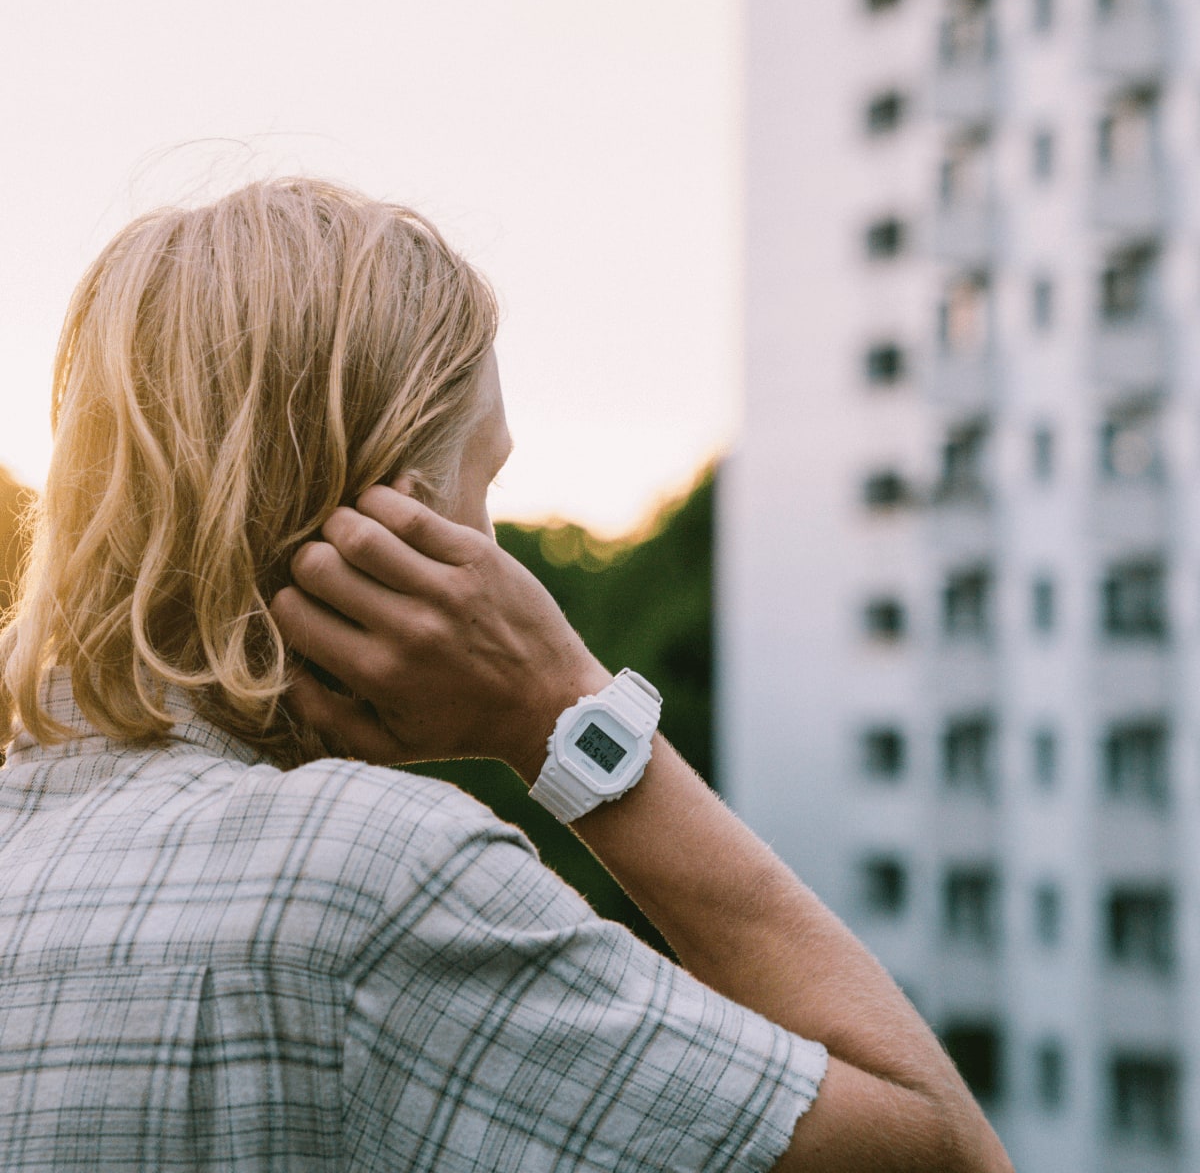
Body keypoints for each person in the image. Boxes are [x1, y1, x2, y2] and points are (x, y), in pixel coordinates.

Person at [0, 177, 1013, 1172]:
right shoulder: (369, 879)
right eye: (482, 483)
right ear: (391, 529)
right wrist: (561, 708)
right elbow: (940, 1151)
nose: (494, 554)